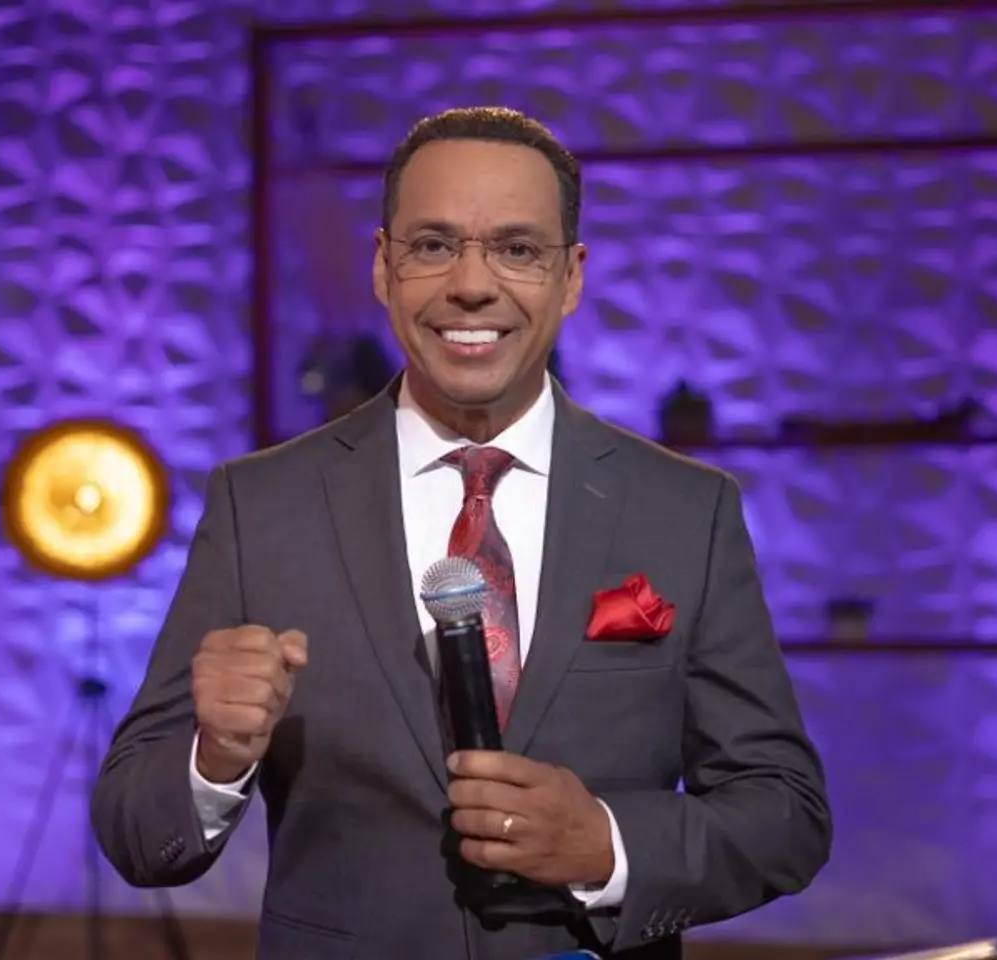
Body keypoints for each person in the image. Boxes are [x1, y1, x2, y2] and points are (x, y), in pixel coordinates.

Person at [91, 106, 831, 960]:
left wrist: (607, 844)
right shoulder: (261, 506)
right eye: (434, 245)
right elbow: (136, 835)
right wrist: (214, 757)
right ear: (383, 266)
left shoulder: (685, 511)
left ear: (571, 277)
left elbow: (785, 812)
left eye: (517, 249)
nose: (472, 285)